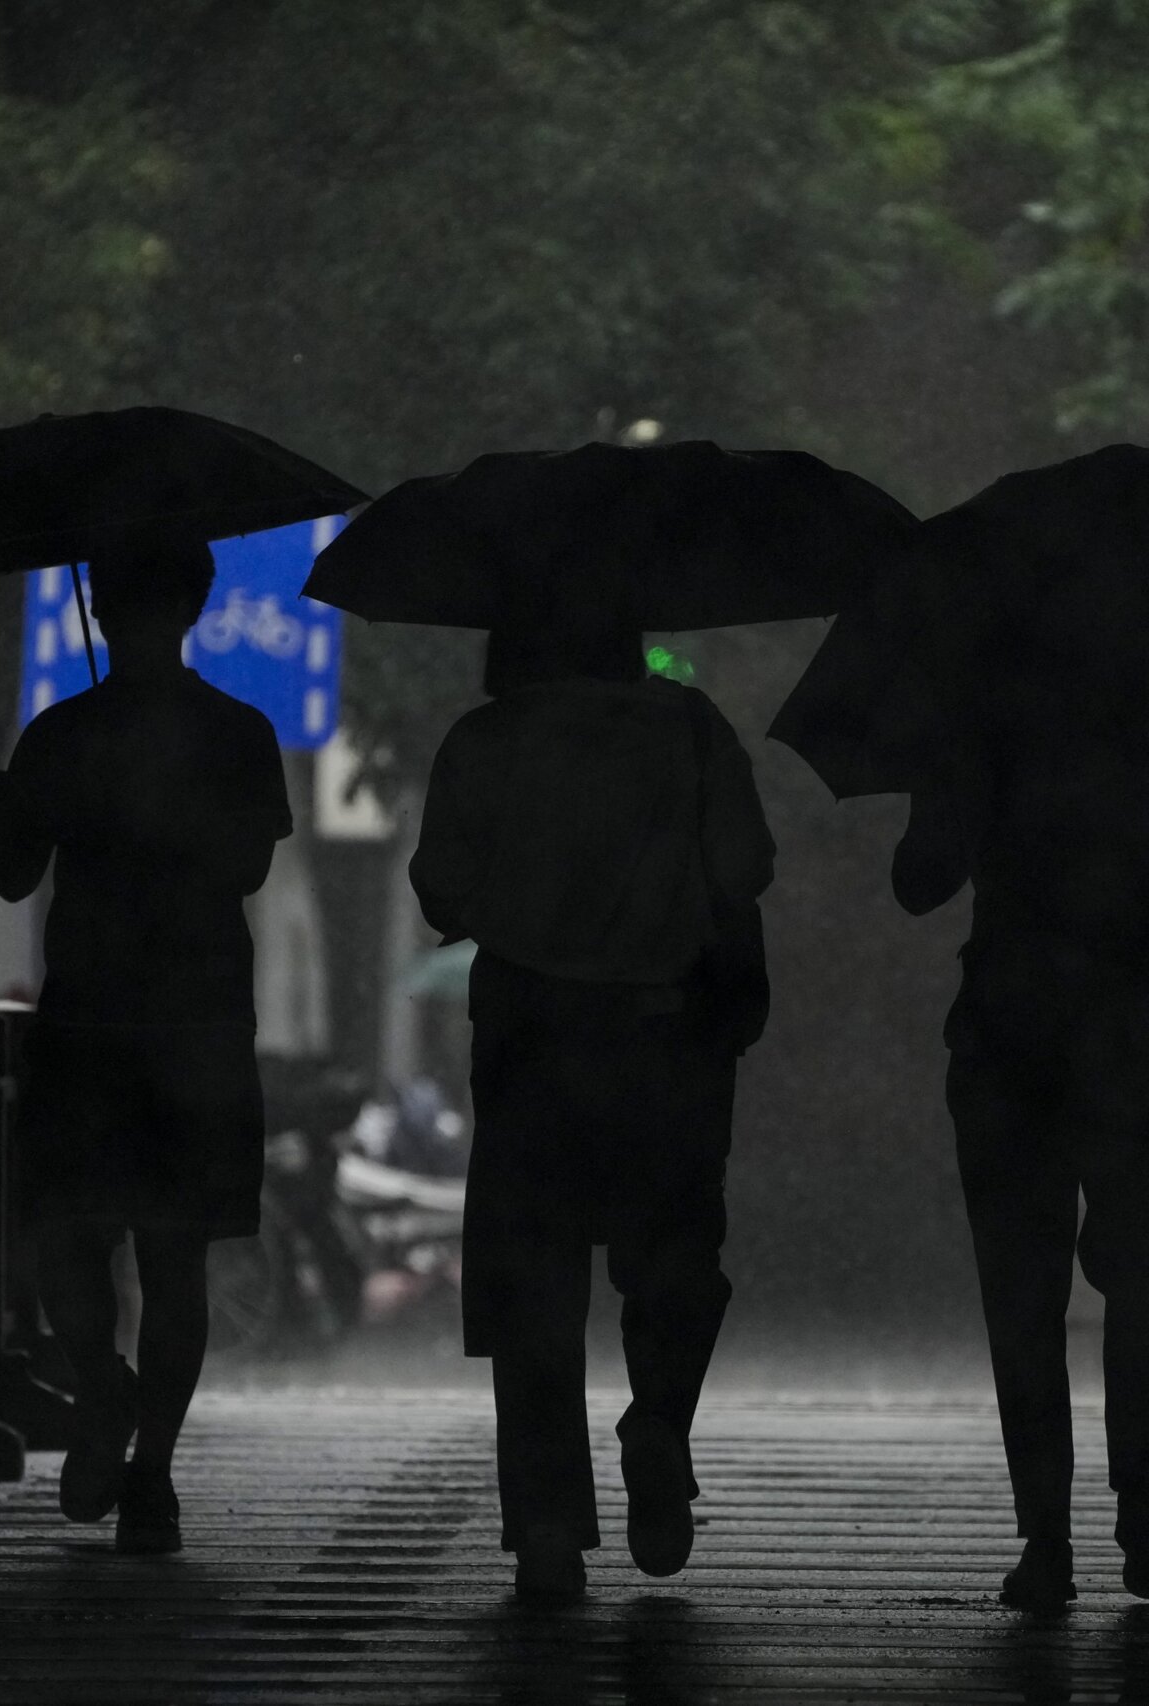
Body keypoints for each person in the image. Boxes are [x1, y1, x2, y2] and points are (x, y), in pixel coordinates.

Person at [410, 626, 773, 1604]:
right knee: (674, 1262)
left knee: (534, 1287)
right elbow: (744, 864)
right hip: (668, 1037)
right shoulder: (691, 727)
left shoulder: (486, 738)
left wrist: (523, 897)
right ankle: (658, 1419)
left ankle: (545, 1527)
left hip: (531, 1039)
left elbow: (438, 884)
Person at [889, 629, 1149, 1614]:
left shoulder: (977, 725)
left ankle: (1045, 1536)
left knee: (1022, 1287)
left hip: (1008, 1034)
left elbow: (917, 878)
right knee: (1137, 1269)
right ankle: (1141, 1506)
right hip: (1130, 1029)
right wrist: (1140, 898)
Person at [0, 540, 292, 1553]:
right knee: (175, 1255)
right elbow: (246, 864)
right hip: (195, 1022)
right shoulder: (239, 733)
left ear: (103, 610)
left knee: (68, 1236)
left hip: (90, 1024)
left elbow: (12, 876)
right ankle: (147, 1462)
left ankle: (103, 1393)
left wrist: (37, 812)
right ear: (195, 604)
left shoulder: (63, 736)